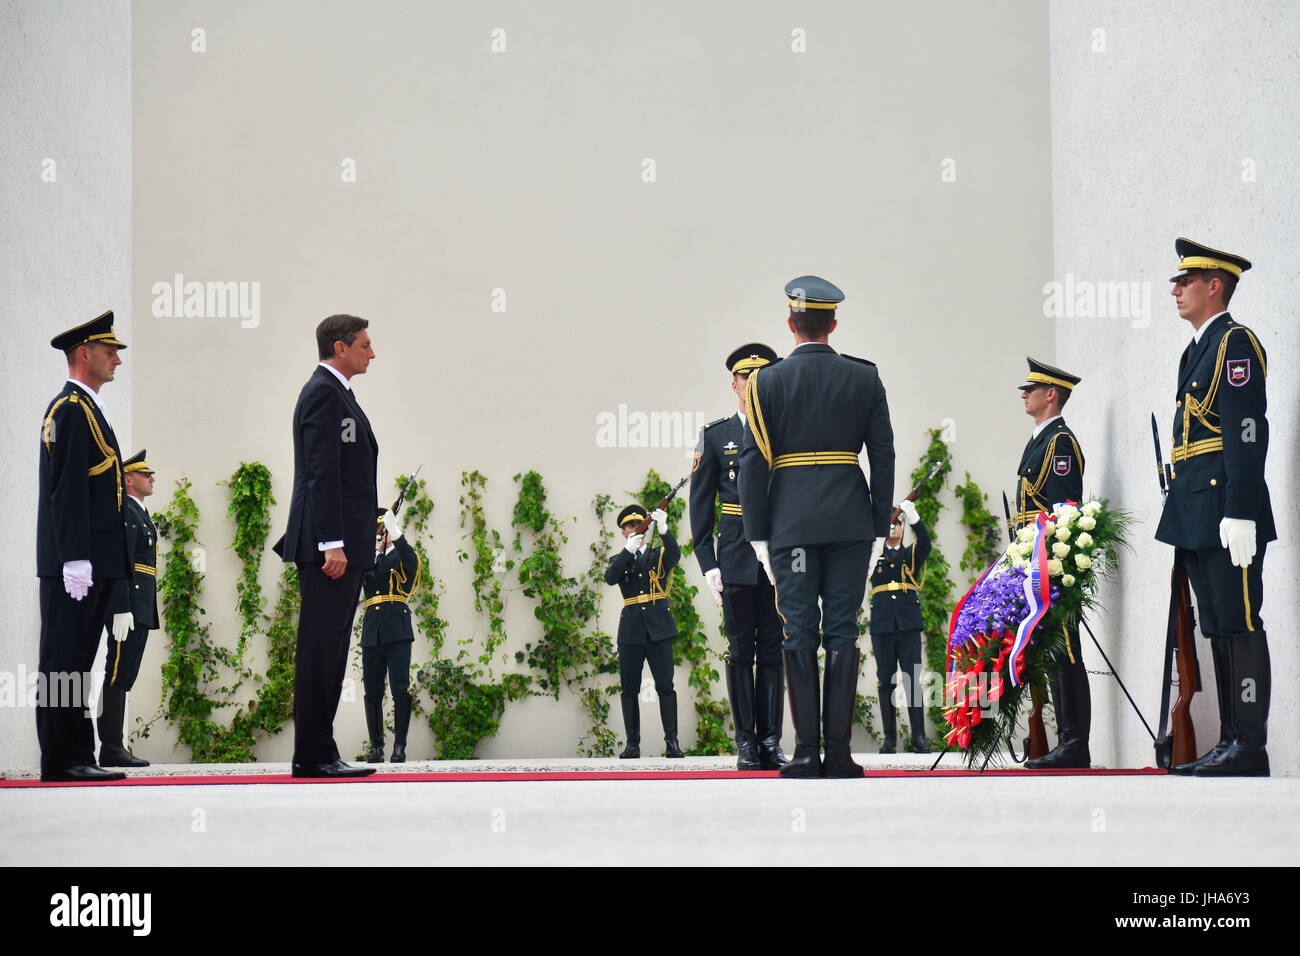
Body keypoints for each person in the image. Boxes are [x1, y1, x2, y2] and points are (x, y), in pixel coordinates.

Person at [739, 275, 895, 778]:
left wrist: (759, 534)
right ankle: (841, 753)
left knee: (799, 630)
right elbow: (883, 456)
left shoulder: (765, 382)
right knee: (843, 631)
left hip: (792, 525)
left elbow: (751, 463)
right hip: (849, 522)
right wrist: (875, 526)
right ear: (833, 323)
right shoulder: (864, 377)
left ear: (790, 323)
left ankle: (806, 753)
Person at [1156, 238, 1273, 777]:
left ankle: (1249, 745)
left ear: (1215, 286)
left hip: (1228, 508)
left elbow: (1246, 432)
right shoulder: (1196, 349)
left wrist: (1243, 509)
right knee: (1218, 625)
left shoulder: (1236, 343)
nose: (1176, 289)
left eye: (1186, 281)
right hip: (1197, 510)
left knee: (1242, 622)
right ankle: (1230, 739)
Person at [274, 314, 379, 778]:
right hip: (327, 549)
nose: (371, 354)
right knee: (320, 648)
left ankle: (321, 750)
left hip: (343, 544)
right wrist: (332, 543)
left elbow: (348, 477)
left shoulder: (338, 394)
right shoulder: (322, 393)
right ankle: (313, 754)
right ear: (340, 348)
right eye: (365, 346)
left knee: (333, 649)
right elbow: (321, 473)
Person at [36, 310, 131, 782]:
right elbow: (66, 489)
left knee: (78, 661)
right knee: (63, 662)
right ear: (84, 353)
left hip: (91, 563)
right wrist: (74, 556)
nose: (117, 359)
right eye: (110, 351)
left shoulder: (88, 408)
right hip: (73, 564)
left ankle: (78, 754)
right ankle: (63, 757)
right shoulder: (69, 410)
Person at [690, 343, 789, 771]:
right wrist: (708, 563)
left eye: (760, 378)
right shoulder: (717, 435)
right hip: (733, 554)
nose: (751, 386)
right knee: (739, 649)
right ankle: (746, 742)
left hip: (779, 559)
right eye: (745, 379)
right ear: (734, 385)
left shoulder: (787, 432)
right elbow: (700, 504)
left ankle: (771, 739)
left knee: (773, 649)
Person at [1013, 357, 1089, 770]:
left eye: (1031, 388)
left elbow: (1063, 511)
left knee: (1065, 650)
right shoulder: (1040, 438)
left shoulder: (1060, 442)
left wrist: (1051, 564)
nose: (1024, 394)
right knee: (1052, 650)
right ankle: (1067, 740)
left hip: (1052, 563)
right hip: (1034, 560)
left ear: (1051, 394)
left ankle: (1076, 742)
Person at [604, 505, 682, 759]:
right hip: (631, 631)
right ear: (623, 533)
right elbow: (610, 577)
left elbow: (675, 554)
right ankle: (632, 744)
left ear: (644, 529)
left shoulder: (658, 554)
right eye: (627, 527)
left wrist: (664, 529)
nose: (631, 530)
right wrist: (628, 551)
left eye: (636, 526)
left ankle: (672, 742)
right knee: (629, 688)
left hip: (658, 629)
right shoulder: (619, 559)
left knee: (665, 686)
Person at [99, 449, 160, 768]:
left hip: (140, 604)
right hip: (128, 606)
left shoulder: (140, 513)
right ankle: (110, 746)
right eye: (145, 474)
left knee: (125, 673)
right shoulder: (126, 512)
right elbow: (120, 562)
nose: (152, 478)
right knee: (117, 673)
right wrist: (121, 606)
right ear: (128, 479)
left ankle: (113, 745)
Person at [868, 500, 931, 754]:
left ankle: (919, 738)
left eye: (897, 524)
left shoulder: (910, 554)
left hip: (907, 624)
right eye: (889, 525)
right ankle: (889, 739)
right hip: (883, 624)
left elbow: (926, 544)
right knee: (885, 680)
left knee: (912, 680)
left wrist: (914, 517)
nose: (893, 528)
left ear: (903, 529)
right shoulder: (873, 556)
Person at [361, 507, 420, 763]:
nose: (378, 534)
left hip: (396, 628)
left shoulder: (400, 555)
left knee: (400, 689)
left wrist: (396, 534)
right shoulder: (367, 558)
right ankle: (376, 747)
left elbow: (412, 562)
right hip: (372, 631)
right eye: (376, 530)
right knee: (372, 691)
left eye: (381, 529)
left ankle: (399, 746)